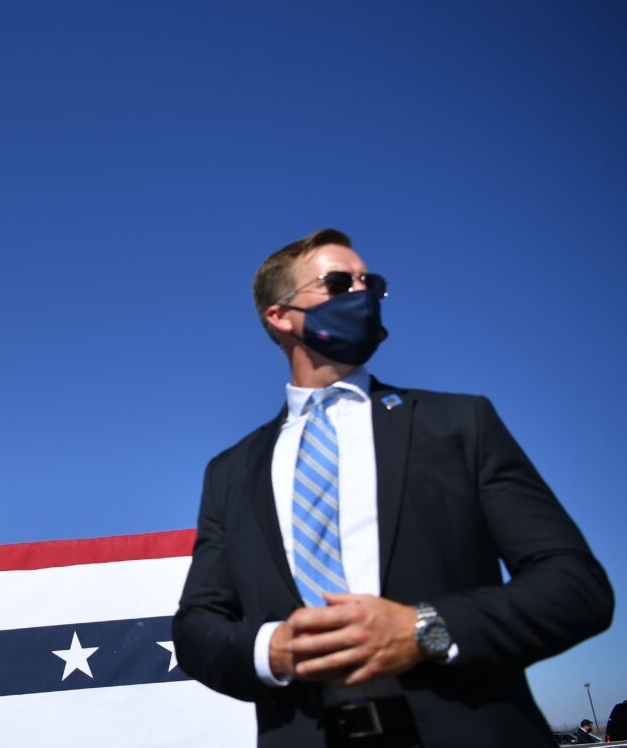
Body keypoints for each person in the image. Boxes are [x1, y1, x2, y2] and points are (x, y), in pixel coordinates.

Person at [172, 229, 613, 748]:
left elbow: (575, 585)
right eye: (338, 283)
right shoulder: (230, 472)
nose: (362, 294)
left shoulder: (460, 425)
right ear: (280, 315)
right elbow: (197, 628)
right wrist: (274, 649)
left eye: (371, 283)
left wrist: (426, 629)